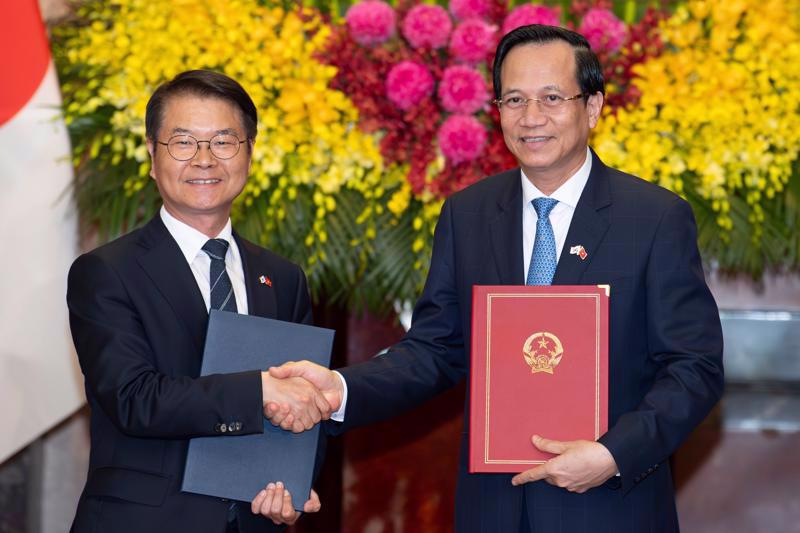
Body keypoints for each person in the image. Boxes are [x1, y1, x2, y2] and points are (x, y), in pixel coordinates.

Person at [266, 25, 724, 533]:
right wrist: (340, 387)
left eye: (552, 98)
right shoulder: (469, 214)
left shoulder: (654, 218)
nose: (532, 118)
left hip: (611, 507)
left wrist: (613, 453)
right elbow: (435, 350)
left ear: (592, 108)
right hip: (494, 510)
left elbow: (694, 366)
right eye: (514, 99)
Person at [67, 70, 331, 533]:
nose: (205, 160)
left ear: (249, 152)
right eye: (183, 142)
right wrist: (260, 390)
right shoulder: (107, 272)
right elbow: (135, 399)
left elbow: (307, 401)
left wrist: (292, 483)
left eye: (224, 141)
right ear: (152, 154)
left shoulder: (283, 279)